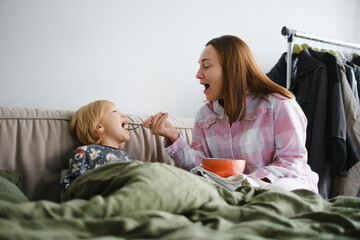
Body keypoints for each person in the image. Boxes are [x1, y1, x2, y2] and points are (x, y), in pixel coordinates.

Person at [144, 35, 319, 192]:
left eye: (206, 66)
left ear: (231, 69)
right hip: (234, 192)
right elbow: (202, 169)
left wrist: (247, 182)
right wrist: (173, 136)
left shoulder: (280, 105)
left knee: (277, 193)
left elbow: (291, 162)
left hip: (286, 184)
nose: (198, 75)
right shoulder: (204, 116)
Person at [60, 100, 132, 198]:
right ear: (99, 126)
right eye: (115, 112)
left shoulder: (126, 156)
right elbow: (71, 189)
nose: (124, 115)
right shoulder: (85, 152)